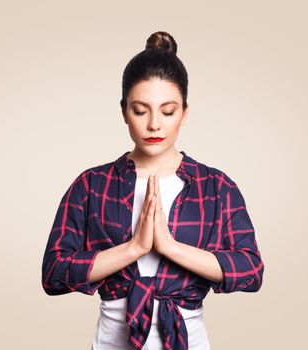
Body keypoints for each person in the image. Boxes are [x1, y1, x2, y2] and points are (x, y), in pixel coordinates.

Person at [41, 31, 264, 350]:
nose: (155, 125)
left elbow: (251, 270)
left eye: (168, 111)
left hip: (188, 339)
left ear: (185, 113)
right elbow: (54, 272)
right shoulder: (91, 185)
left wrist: (170, 247)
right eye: (141, 110)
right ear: (123, 111)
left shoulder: (216, 187)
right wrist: (133, 248)